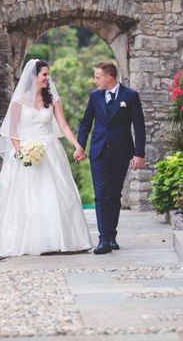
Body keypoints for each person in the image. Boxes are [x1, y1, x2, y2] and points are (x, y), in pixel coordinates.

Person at [0, 59, 92, 257]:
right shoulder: (19, 101)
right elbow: (12, 130)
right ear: (33, 76)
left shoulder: (52, 100)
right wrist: (21, 152)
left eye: (48, 74)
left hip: (50, 151)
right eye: (44, 74)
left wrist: (77, 145)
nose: (47, 78)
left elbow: (64, 126)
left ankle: (56, 240)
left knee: (54, 195)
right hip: (25, 152)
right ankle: (24, 241)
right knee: (24, 197)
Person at [75, 61, 146, 255]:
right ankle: (103, 239)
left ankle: (112, 234)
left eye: (97, 77)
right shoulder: (94, 97)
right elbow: (85, 123)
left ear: (110, 78)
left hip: (121, 152)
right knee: (101, 195)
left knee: (115, 195)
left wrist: (139, 153)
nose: (95, 80)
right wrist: (80, 146)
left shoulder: (130, 96)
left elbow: (139, 126)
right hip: (98, 152)